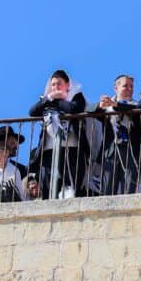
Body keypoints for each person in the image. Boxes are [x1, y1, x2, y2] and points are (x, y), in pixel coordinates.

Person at [29, 69, 89, 199]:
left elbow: (74, 109)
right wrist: (50, 98)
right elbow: (32, 112)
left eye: (59, 84)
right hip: (49, 150)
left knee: (73, 184)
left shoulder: (76, 96)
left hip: (72, 149)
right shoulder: (46, 100)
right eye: (53, 84)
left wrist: (57, 100)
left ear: (67, 84)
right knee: (49, 186)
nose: (56, 87)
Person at [92, 75, 141, 196]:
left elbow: (134, 109)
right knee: (108, 190)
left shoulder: (137, 105)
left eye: (131, 86)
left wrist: (115, 105)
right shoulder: (108, 105)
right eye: (125, 86)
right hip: (111, 152)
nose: (129, 89)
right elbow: (89, 110)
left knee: (128, 191)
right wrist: (100, 105)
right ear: (116, 88)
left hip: (132, 152)